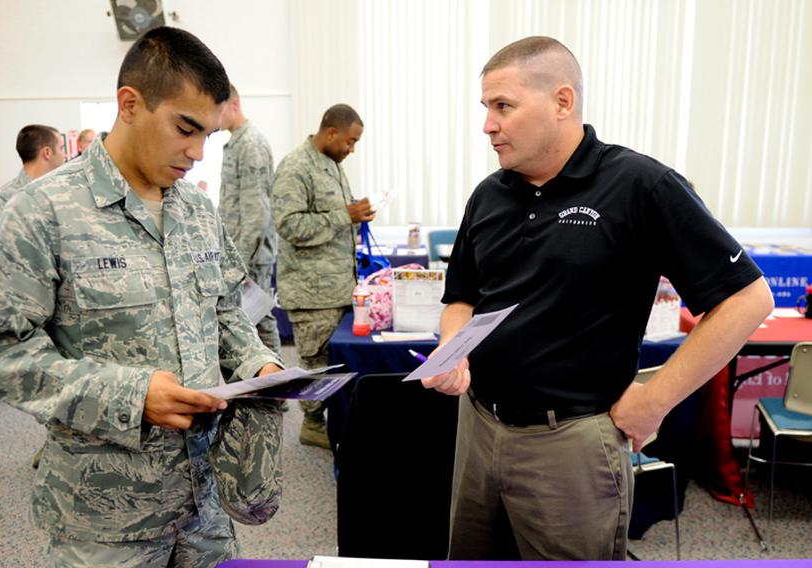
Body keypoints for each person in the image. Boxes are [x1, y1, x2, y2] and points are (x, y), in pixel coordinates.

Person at [419, 36, 774, 561]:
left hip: (570, 441)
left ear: (562, 102)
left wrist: (654, 402)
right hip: (479, 426)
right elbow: (464, 296)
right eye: (486, 108)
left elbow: (748, 299)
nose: (488, 125)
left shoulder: (639, 186)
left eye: (503, 106)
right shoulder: (490, 193)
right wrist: (454, 349)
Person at [0, 26, 282, 567]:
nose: (198, 153)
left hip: (205, 507)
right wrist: (132, 396)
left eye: (209, 134)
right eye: (186, 129)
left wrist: (260, 364)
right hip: (106, 519)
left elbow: (229, 310)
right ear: (130, 104)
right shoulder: (43, 212)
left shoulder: (197, 212)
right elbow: (0, 351)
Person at [272, 104, 375, 448]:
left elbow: (332, 217)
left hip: (336, 287)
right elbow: (289, 226)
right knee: (315, 362)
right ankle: (313, 423)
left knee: (336, 363)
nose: (351, 149)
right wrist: (344, 215)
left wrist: (354, 215)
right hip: (310, 291)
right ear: (331, 132)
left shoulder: (331, 166)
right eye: (350, 141)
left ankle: (332, 420)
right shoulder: (296, 167)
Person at [218, 83, 281, 359]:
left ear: (233, 104)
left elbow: (256, 212)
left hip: (250, 257)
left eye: (217, 111)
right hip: (240, 253)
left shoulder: (251, 144)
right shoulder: (236, 142)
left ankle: (277, 395)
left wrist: (238, 263)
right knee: (248, 323)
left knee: (258, 323)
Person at [0, 124, 65, 240]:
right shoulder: (5, 198)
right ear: (47, 152)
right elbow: (0, 251)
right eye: (62, 148)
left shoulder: (61, 191)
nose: (65, 155)